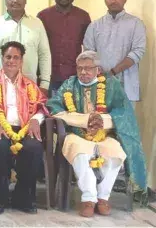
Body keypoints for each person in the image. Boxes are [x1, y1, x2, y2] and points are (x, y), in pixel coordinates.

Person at [46, 50, 147, 217]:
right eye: (80, 68)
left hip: (105, 134)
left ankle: (103, 198)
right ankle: (88, 199)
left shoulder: (111, 84)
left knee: (116, 154)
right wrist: (84, 120)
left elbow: (124, 112)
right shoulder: (69, 84)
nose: (83, 72)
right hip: (77, 134)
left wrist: (102, 121)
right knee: (80, 153)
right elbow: (53, 107)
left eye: (88, 68)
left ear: (98, 69)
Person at [0, 41, 48, 215]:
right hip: (0, 128)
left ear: (21, 61)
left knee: (34, 148)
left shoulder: (30, 85)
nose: (11, 61)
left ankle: (22, 196)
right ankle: (1, 197)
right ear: (2, 59)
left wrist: (36, 119)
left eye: (16, 57)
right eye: (8, 57)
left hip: (25, 127)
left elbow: (42, 106)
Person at [0, 0, 51, 96]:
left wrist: (45, 84)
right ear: (5, 0)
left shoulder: (36, 24)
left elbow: (44, 54)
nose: (15, 0)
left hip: (30, 87)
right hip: (0, 87)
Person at [83, 0, 146, 104]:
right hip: (100, 83)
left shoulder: (136, 24)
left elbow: (138, 52)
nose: (113, 1)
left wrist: (113, 72)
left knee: (125, 121)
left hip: (126, 84)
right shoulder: (95, 25)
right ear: (105, 1)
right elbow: (88, 52)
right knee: (100, 121)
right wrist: (99, 72)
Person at [37, 0, 91, 96]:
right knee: (50, 110)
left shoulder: (83, 16)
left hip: (75, 75)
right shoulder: (43, 16)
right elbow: (38, 46)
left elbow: (88, 47)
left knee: (74, 110)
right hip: (49, 76)